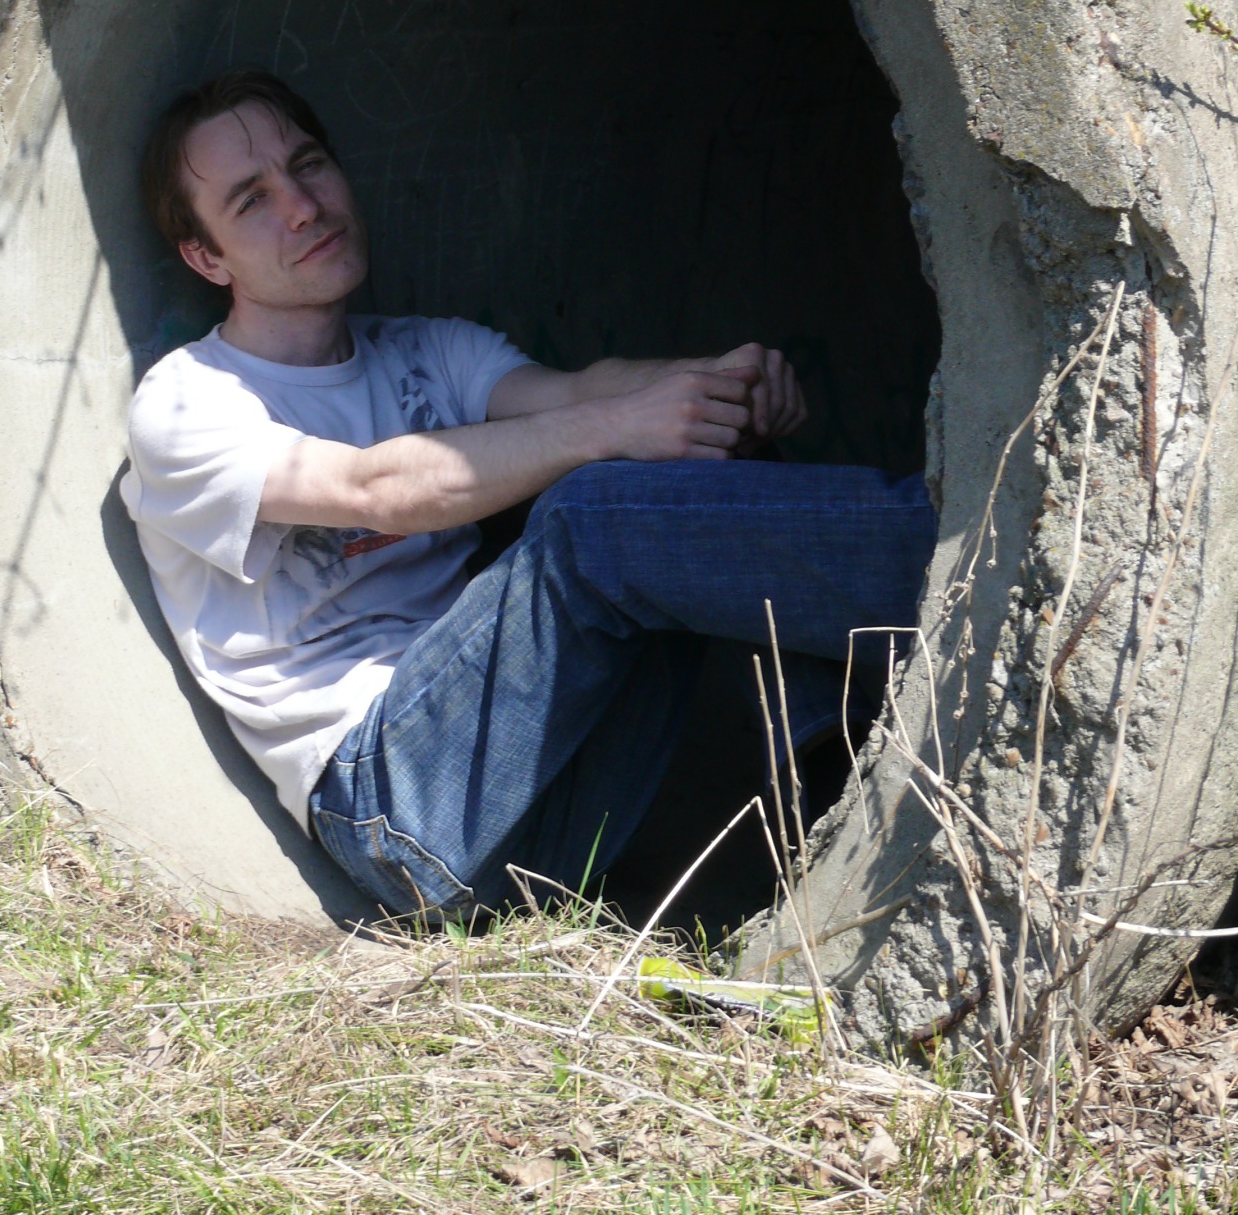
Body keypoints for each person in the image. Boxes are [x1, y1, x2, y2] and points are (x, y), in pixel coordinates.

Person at [122, 69, 934, 918]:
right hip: (394, 810)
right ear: (205, 257)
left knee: (698, 451)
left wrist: (715, 386)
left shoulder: (422, 350)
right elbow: (375, 488)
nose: (302, 206)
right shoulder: (187, 403)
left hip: (540, 794)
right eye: (252, 199)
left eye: (309, 164)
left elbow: (579, 393)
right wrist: (619, 426)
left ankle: (834, 770)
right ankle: (967, 560)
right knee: (589, 520)